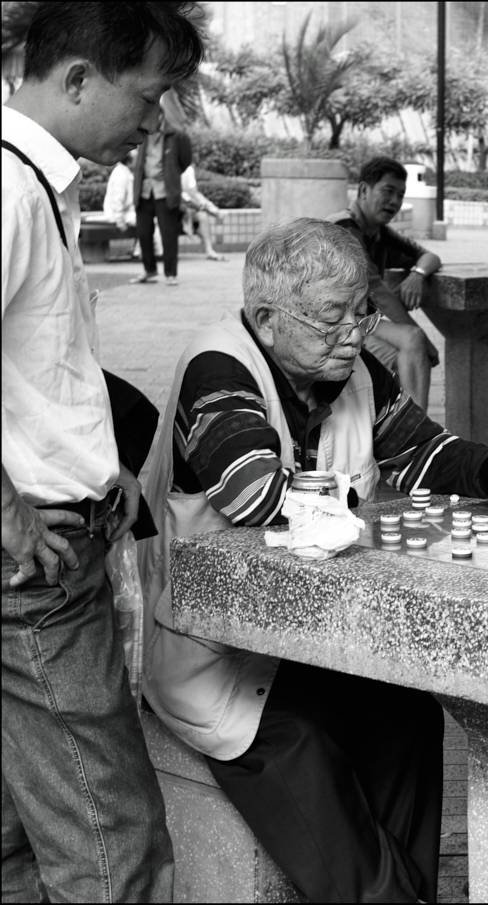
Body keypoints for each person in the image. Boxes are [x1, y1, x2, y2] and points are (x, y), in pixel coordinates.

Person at [138, 217, 488, 904]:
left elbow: (424, 450)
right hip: (221, 661)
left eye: (362, 311)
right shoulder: (219, 366)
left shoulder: (350, 369)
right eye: (332, 318)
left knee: (407, 717)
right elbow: (250, 490)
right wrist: (356, 500)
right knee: (307, 761)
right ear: (266, 320)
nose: (355, 332)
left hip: (315, 642)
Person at [1, 3, 204, 901]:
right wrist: (10, 510)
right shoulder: (10, 188)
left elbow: (38, 358)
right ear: (79, 79)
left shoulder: (39, 182)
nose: (155, 121)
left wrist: (95, 460)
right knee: (111, 836)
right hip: (35, 561)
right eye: (149, 96)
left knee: (23, 828)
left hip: (49, 532)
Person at [329, 156, 442, 412]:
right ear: (363, 190)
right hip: (326, 324)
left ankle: (407, 427)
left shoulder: (379, 233)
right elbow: (375, 289)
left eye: (400, 195)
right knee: (414, 339)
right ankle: (416, 428)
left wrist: (417, 275)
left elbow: (429, 257)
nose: (394, 202)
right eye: (388, 191)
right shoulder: (343, 227)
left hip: (358, 323)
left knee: (409, 357)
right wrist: (425, 340)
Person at [130, 103, 192, 286]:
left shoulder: (176, 136)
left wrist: (171, 174)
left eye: (153, 116)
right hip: (144, 191)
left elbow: (185, 160)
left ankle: (171, 274)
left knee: (168, 234)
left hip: (165, 192)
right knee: (143, 233)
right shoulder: (142, 134)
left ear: (161, 116)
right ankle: (149, 271)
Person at [180, 163, 226, 260]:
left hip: (186, 206)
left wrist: (209, 207)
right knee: (196, 209)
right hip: (170, 206)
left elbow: (193, 193)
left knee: (202, 215)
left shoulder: (188, 170)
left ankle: (209, 250)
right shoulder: (167, 167)